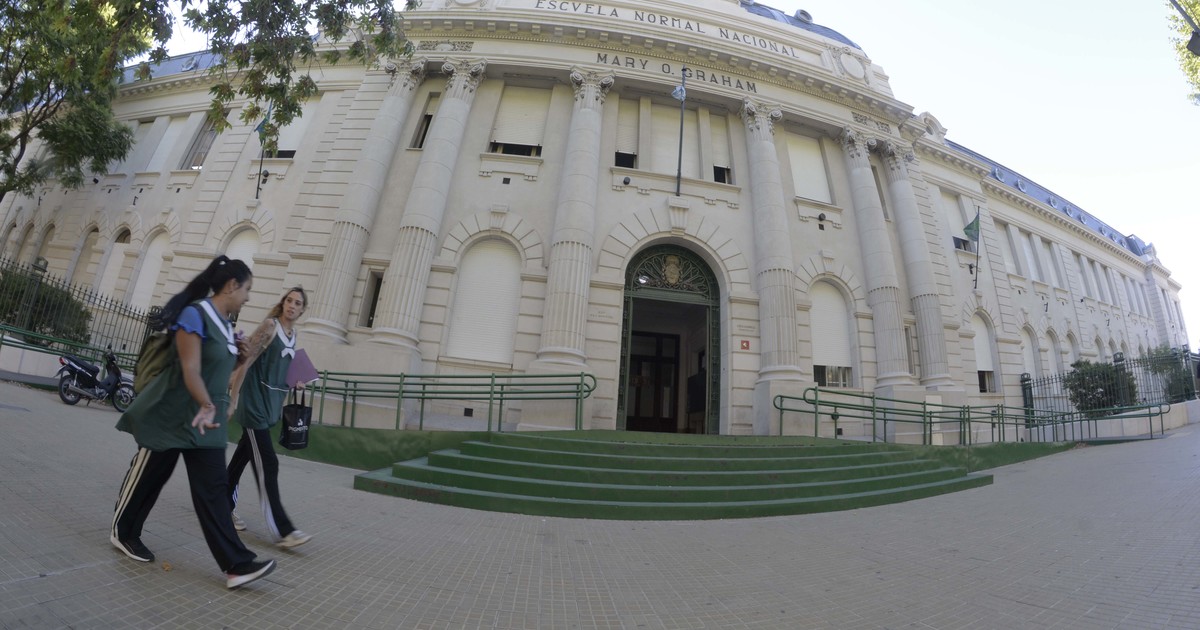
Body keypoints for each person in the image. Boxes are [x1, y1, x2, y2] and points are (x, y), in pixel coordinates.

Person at [110, 255, 276, 589]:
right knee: (150, 476)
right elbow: (190, 368)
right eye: (247, 290)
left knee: (214, 490)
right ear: (231, 286)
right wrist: (205, 403)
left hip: (204, 423)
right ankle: (123, 531)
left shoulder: (226, 325)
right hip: (172, 416)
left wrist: (239, 359)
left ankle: (237, 565)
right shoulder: (195, 314)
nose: (248, 297)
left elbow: (217, 372)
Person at [226, 286, 312, 548]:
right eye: (289, 300)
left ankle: (221, 505)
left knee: (241, 459)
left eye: (298, 303)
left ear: (302, 310)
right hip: (254, 404)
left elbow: (280, 368)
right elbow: (246, 360)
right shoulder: (270, 326)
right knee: (268, 463)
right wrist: (233, 399)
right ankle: (283, 531)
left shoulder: (293, 335)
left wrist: (296, 381)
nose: (292, 306)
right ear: (283, 302)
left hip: (270, 406)